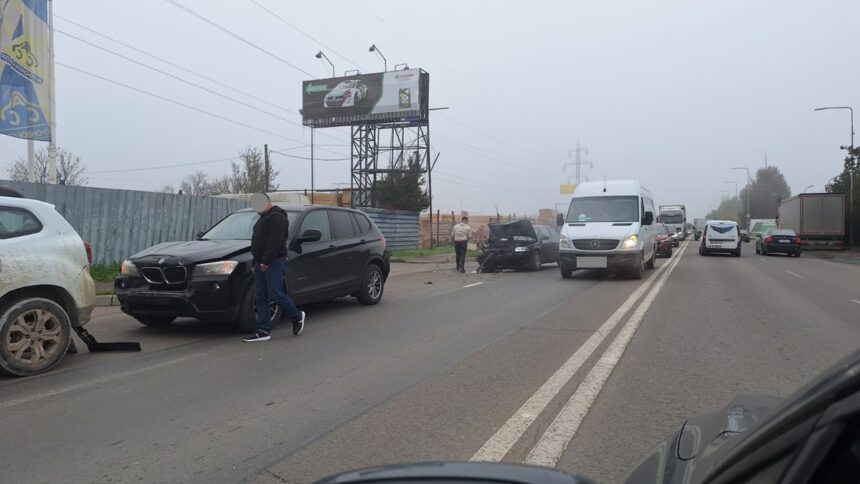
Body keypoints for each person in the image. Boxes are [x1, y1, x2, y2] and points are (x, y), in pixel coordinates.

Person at [243, 193, 306, 342]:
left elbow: (275, 241)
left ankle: (297, 316)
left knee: (275, 293)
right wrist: (256, 262)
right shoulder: (262, 218)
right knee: (260, 296)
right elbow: (257, 242)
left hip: (274, 261)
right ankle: (263, 331)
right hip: (260, 261)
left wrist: (266, 261)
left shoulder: (278, 217)